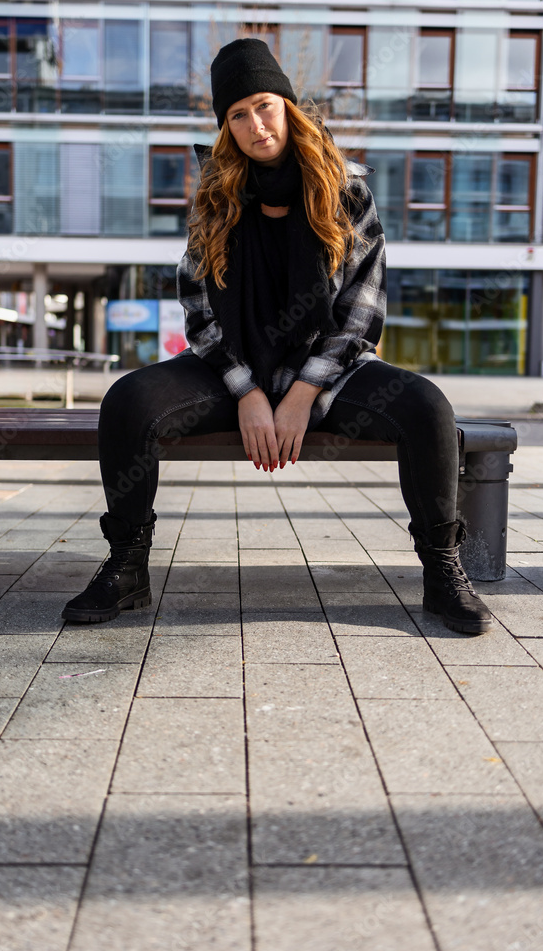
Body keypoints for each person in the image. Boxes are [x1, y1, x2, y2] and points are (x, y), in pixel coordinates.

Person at [62, 38, 493, 636]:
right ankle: (127, 566)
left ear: (288, 105)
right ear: (225, 126)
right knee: (127, 401)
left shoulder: (346, 192)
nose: (255, 124)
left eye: (264, 105)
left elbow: (361, 314)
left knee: (427, 407)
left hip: (326, 373)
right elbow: (197, 306)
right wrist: (247, 391)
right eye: (237, 114)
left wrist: (300, 395)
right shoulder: (215, 196)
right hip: (231, 369)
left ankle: (442, 571)